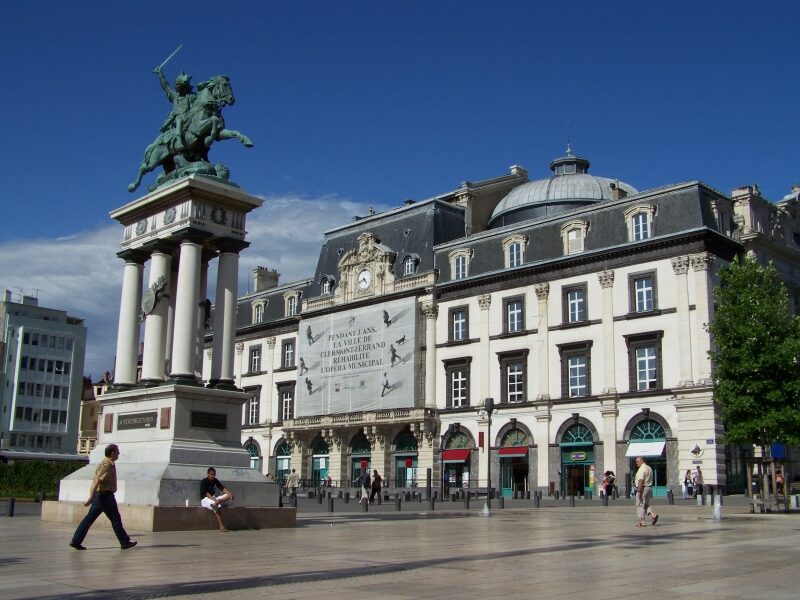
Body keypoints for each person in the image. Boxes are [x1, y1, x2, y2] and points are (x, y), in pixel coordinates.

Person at [70, 444, 137, 550]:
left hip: (100, 496)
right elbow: (97, 480)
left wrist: (93, 497)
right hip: (105, 496)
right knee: (115, 519)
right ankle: (124, 542)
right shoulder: (106, 465)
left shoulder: (108, 463)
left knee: (89, 519)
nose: (119, 454)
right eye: (117, 452)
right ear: (112, 453)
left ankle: (76, 541)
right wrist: (90, 497)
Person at [200, 467, 235, 532]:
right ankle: (221, 527)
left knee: (229, 495)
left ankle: (218, 502)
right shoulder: (203, 481)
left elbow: (222, 488)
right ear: (208, 474)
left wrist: (229, 494)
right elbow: (206, 493)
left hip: (214, 499)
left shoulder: (215, 480)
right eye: (212, 474)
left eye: (214, 474)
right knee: (217, 506)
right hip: (205, 500)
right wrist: (215, 500)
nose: (213, 476)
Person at [634, 456, 659, 527]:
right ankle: (653, 515)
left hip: (643, 488)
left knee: (640, 504)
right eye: (636, 461)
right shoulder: (649, 468)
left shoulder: (642, 469)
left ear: (642, 461)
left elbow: (640, 480)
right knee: (645, 504)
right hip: (649, 488)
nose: (636, 463)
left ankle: (642, 522)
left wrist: (639, 491)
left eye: (637, 461)